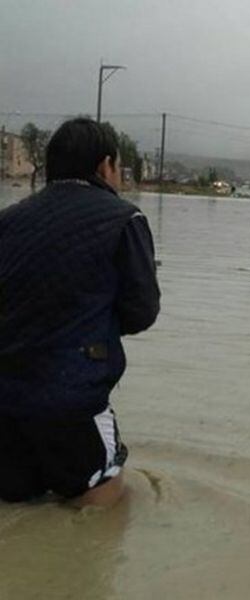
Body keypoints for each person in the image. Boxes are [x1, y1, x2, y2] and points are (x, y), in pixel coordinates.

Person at [0, 118, 160, 508]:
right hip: (72, 399)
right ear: (105, 165)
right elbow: (142, 312)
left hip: (5, 401)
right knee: (104, 499)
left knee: (20, 510)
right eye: (118, 167)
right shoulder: (124, 219)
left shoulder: (8, 221)